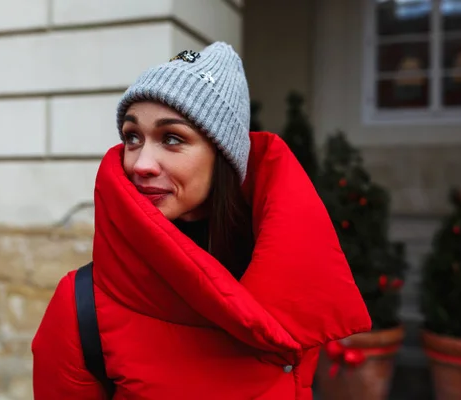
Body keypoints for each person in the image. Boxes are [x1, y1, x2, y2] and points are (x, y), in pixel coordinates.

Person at [32, 41, 371, 399]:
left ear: (223, 157)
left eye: (172, 138)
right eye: (133, 137)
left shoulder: (289, 289)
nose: (141, 164)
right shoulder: (81, 306)